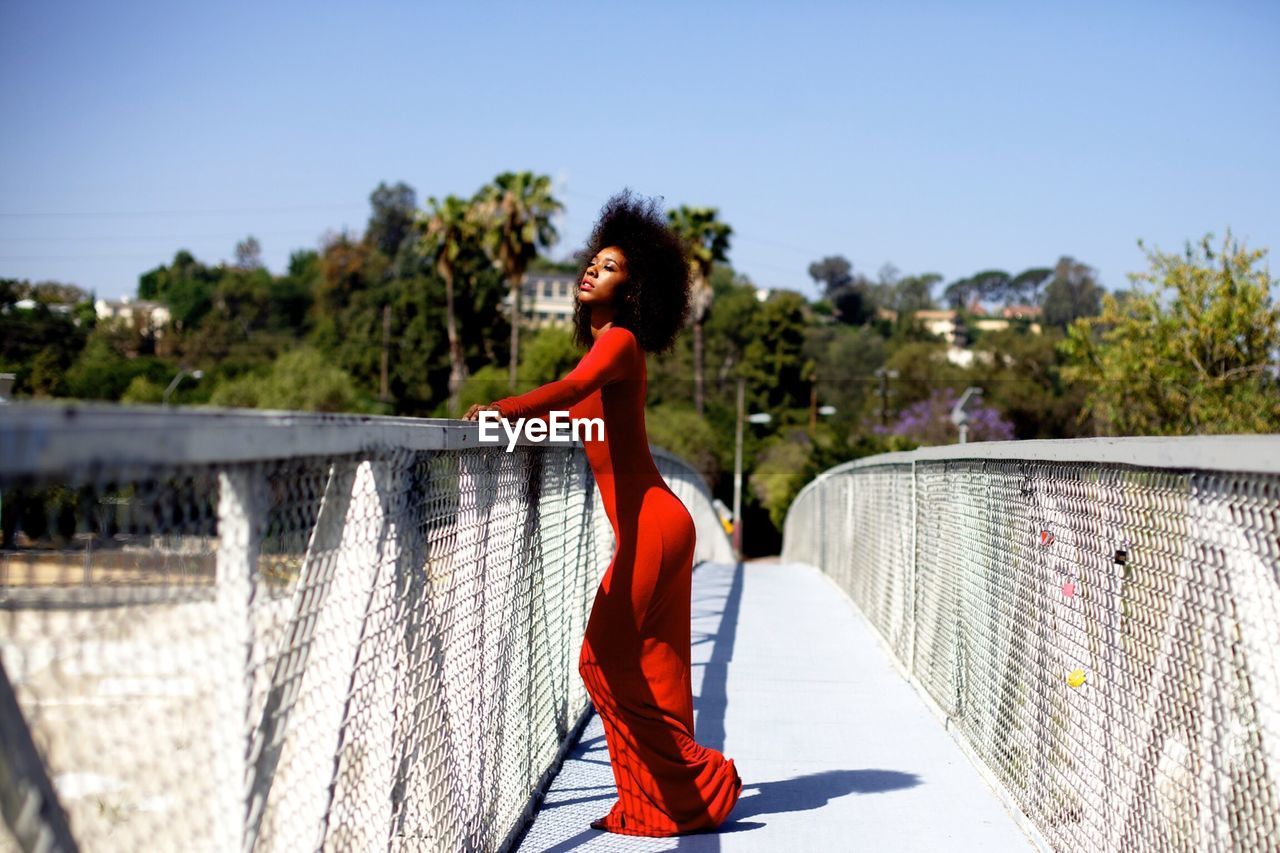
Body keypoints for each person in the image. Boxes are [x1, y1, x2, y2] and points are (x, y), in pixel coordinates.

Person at [465, 190, 742, 836]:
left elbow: (566, 392)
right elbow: (572, 417)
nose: (591, 270)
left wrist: (503, 408)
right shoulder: (603, 350)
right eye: (593, 261)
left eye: (611, 266)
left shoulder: (617, 343)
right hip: (655, 525)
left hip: (653, 524)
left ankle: (702, 784)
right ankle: (653, 803)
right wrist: (519, 432)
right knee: (659, 670)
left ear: (634, 288)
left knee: (599, 659)